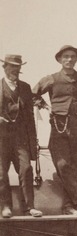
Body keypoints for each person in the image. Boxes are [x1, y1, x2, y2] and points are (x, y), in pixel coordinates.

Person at [33, 45, 77, 215]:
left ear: (76, 59)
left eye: (72, 56)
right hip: (58, 127)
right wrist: (44, 106)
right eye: (66, 56)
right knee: (62, 164)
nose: (69, 59)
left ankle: (69, 206)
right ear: (60, 59)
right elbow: (33, 94)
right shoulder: (51, 79)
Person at [0, 54, 40, 218]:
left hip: (20, 139)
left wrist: (33, 143)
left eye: (17, 67)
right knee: (1, 173)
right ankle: (6, 206)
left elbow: (30, 117)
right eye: (11, 66)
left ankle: (29, 207)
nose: (15, 70)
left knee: (26, 169)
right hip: (1, 138)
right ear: (5, 68)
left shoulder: (25, 87)